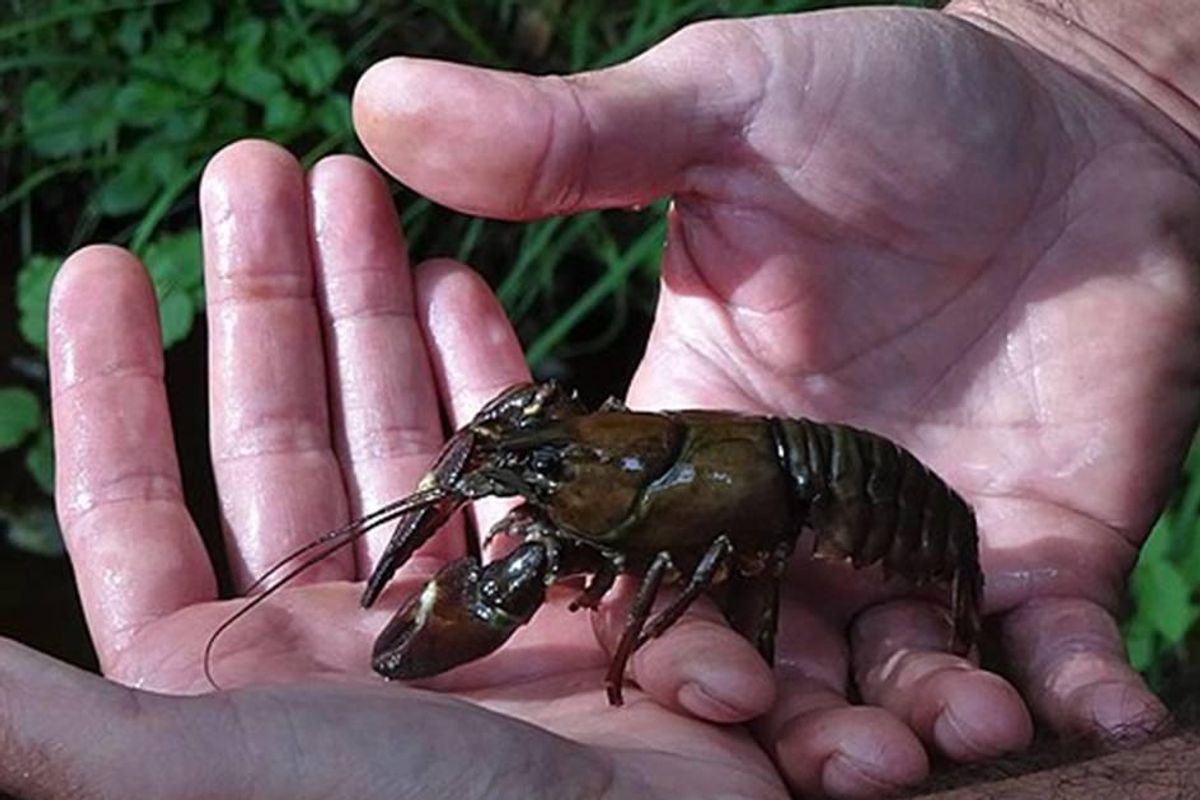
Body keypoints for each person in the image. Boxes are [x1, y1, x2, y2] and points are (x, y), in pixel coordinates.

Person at [2, 1, 1197, 798]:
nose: (532, 467)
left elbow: (724, 560)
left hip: (892, 507)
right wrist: (1108, 66)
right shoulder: (598, 468)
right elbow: (551, 458)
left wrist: (1109, 73)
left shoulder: (694, 512)